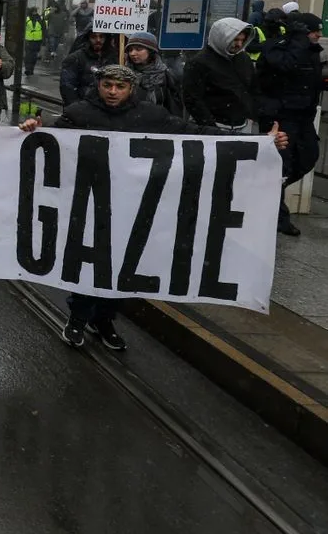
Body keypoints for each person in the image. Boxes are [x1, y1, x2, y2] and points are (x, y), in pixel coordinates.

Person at [21, 65, 287, 350]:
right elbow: (52, 140)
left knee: (121, 268)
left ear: (131, 88)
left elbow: (197, 134)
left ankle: (104, 319)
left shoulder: (151, 116)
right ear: (99, 85)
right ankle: (78, 317)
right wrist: (32, 129)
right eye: (107, 85)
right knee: (89, 263)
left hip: (132, 207)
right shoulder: (78, 114)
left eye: (120, 86)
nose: (112, 92)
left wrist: (259, 143)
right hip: (90, 206)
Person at [256, 12, 327, 236]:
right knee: (280, 167)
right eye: (315, 30)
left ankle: (275, 189)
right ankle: (279, 218)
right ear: (302, 32)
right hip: (281, 117)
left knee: (308, 158)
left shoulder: (311, 51)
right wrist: (298, 41)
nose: (319, 34)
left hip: (303, 118)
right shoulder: (279, 47)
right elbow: (284, 66)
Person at [183, 18, 257, 132]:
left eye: (243, 40)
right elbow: (192, 98)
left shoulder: (243, 59)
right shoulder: (199, 63)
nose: (239, 44)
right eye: (235, 39)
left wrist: (251, 114)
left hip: (243, 124)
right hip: (214, 126)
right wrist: (210, 126)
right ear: (221, 38)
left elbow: (252, 87)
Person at [124, 32, 181, 115]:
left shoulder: (164, 75)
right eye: (130, 50)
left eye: (138, 49)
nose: (133, 53)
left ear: (150, 51)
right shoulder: (124, 75)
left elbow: (173, 107)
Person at [59, 30, 116, 105]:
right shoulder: (75, 58)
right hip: (83, 107)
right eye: (93, 37)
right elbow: (67, 88)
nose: (98, 40)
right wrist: (78, 109)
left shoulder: (112, 58)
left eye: (101, 37)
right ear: (88, 38)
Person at [23, 8, 45, 76]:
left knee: (34, 56)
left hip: (37, 40)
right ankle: (27, 69)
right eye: (33, 11)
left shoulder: (40, 18)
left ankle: (31, 69)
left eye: (35, 11)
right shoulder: (27, 18)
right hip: (28, 39)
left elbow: (44, 29)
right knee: (28, 55)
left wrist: (44, 40)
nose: (34, 12)